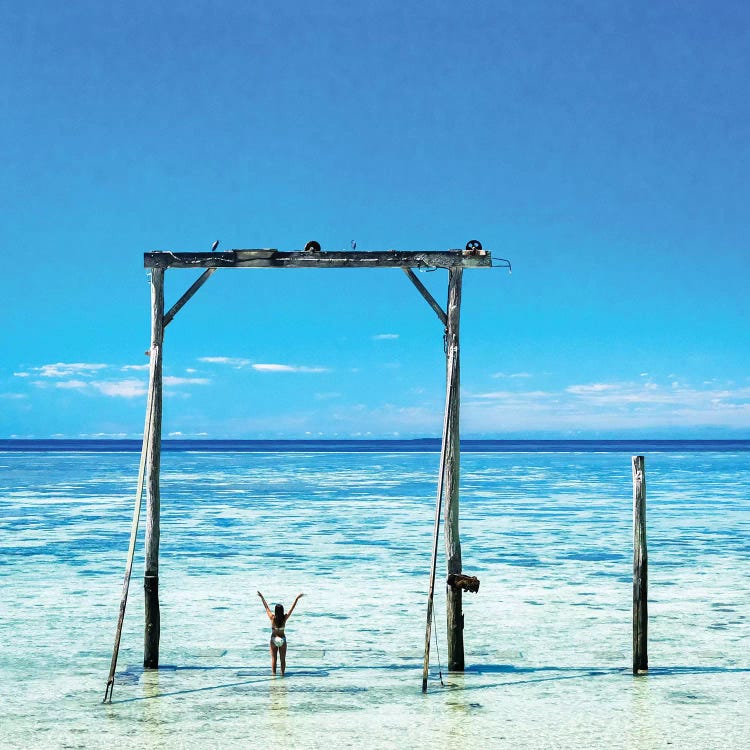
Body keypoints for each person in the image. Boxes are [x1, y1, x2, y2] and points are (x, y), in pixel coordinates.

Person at [257, 591, 304, 675]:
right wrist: (297, 599)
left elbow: (266, 607)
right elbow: (291, 609)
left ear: (275, 611)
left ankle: (274, 676)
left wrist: (262, 597)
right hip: (282, 639)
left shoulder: (272, 618)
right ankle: (282, 674)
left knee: (274, 659)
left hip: (274, 639)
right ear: (282, 611)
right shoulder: (284, 618)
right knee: (282, 659)